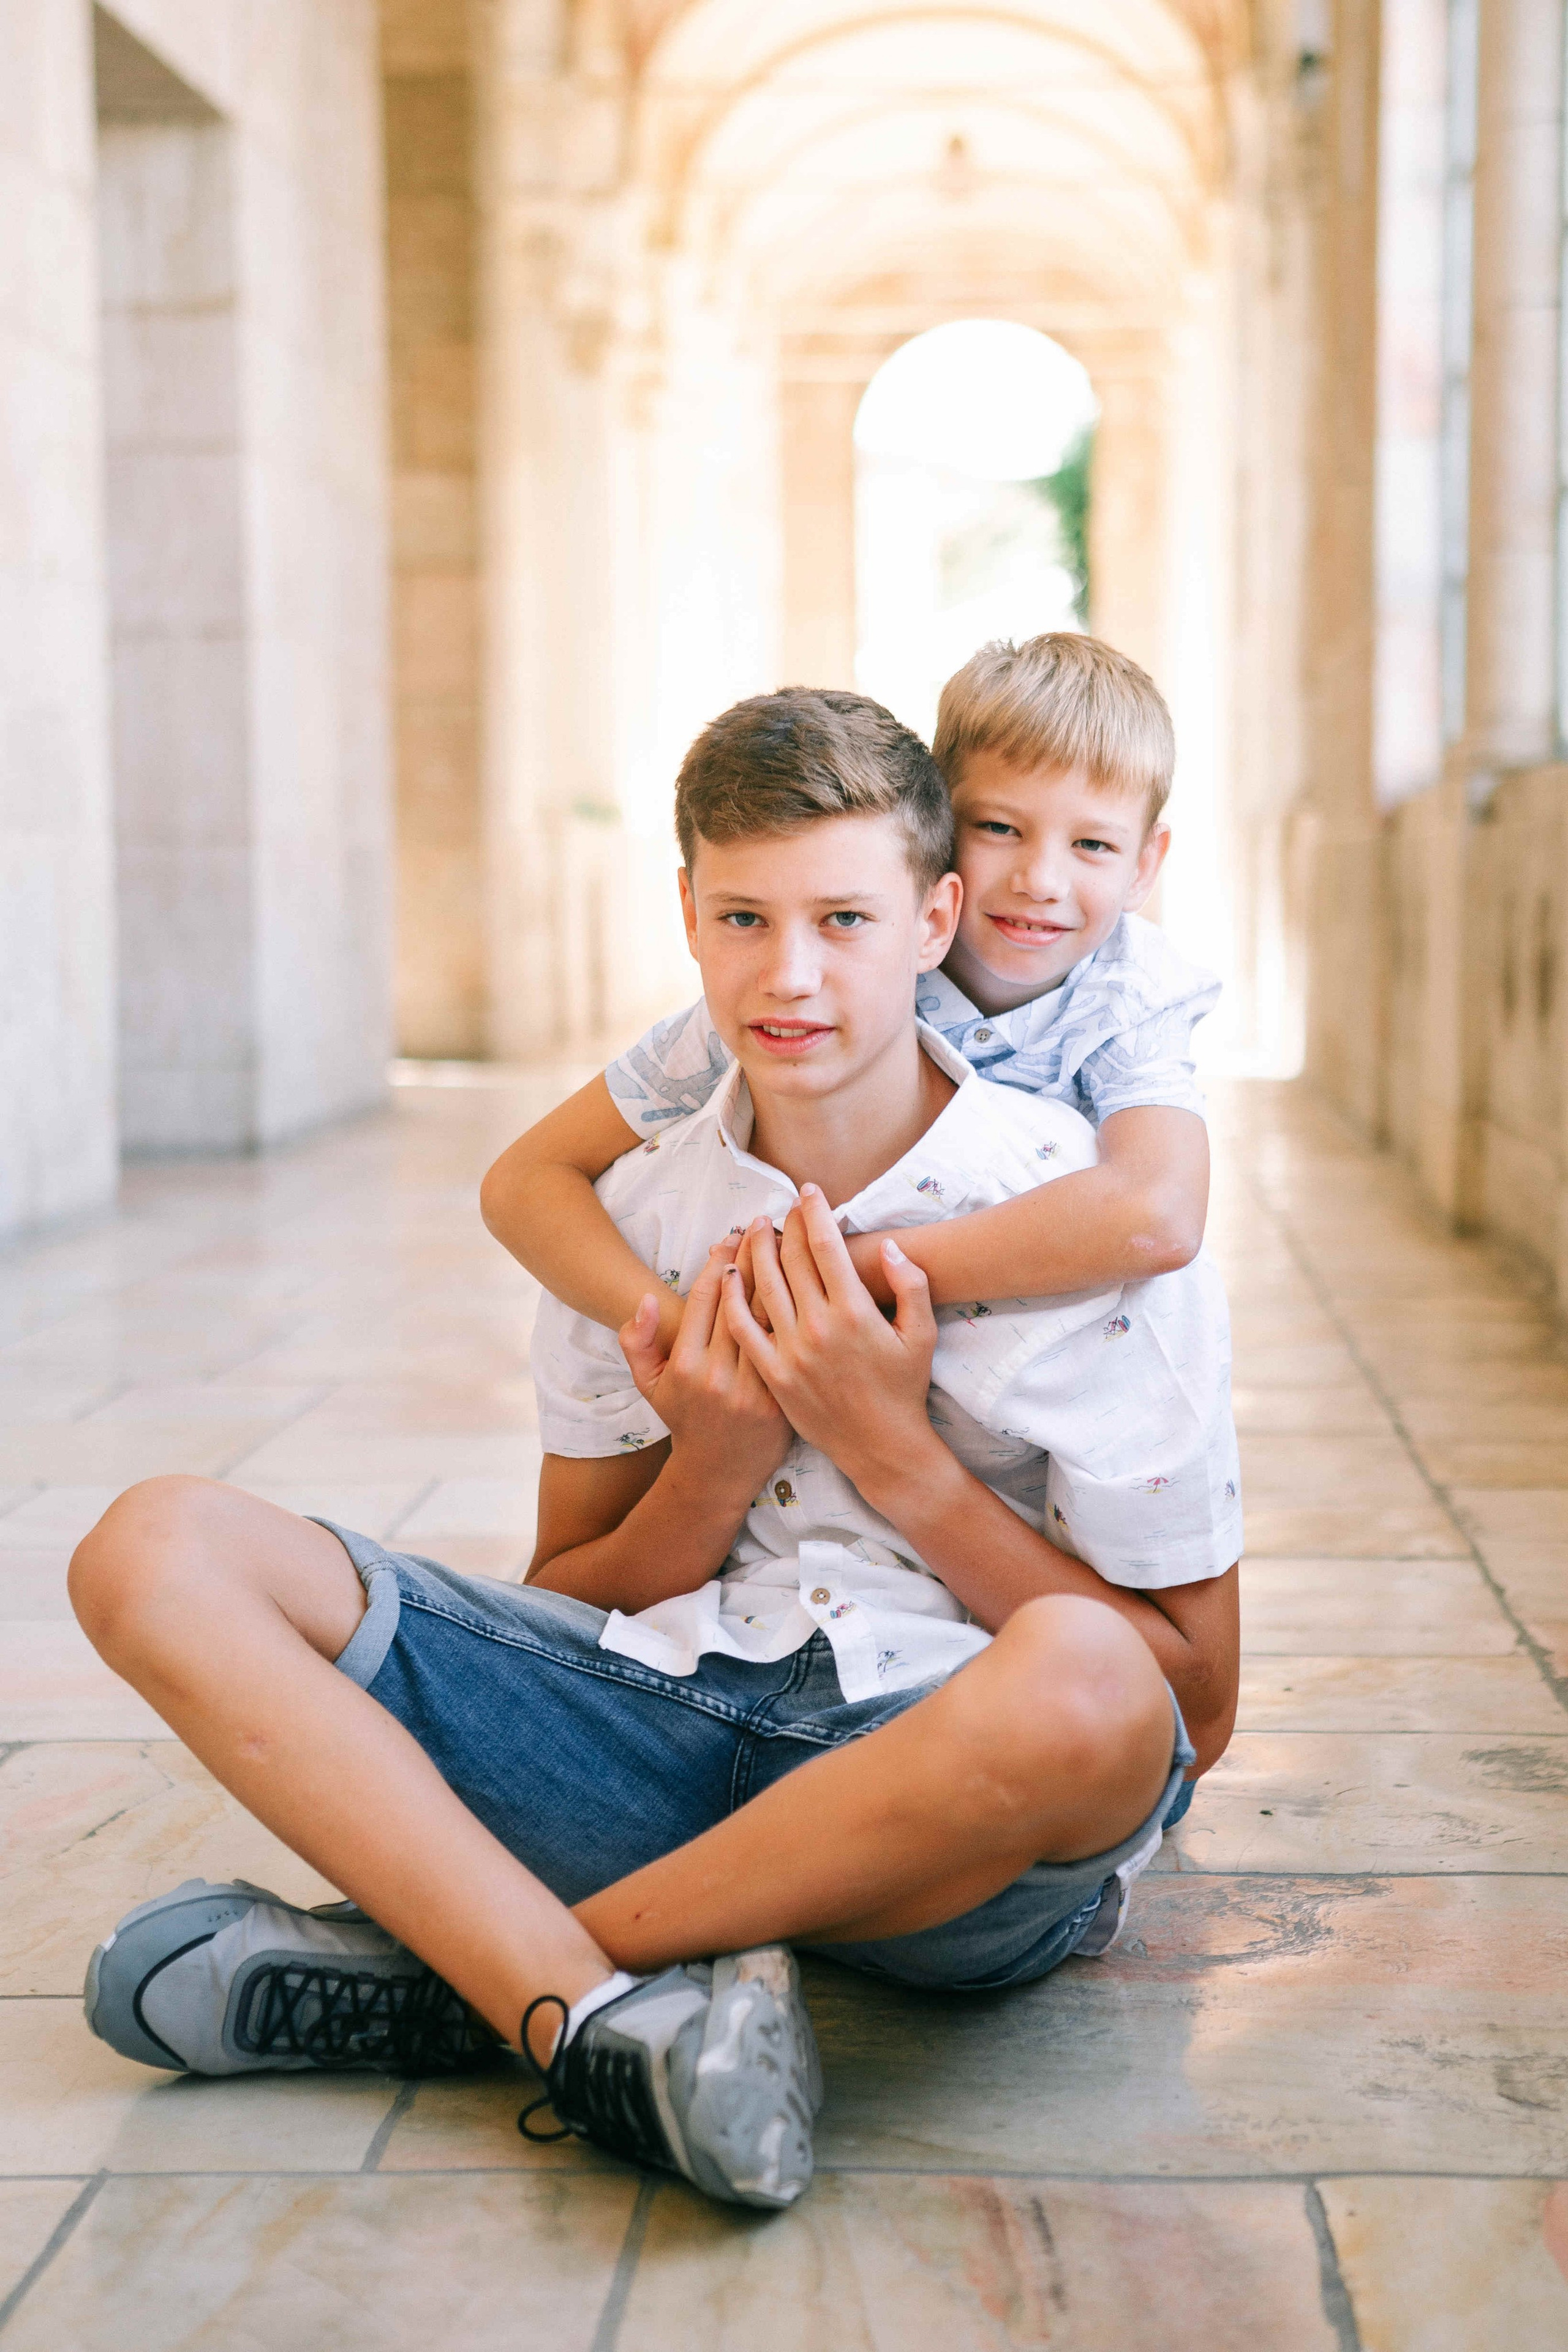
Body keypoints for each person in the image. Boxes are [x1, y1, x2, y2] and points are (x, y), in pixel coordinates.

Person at [68, 690, 1240, 2217]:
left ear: (932, 916)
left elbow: (1188, 1711)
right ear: (685, 913)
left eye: (843, 917)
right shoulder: (636, 1230)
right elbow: (576, 1589)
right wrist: (715, 1451)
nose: (791, 973)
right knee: (152, 1547)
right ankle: (596, 1993)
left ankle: (494, 1983)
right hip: (661, 1727)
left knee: (1085, 1675)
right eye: (744, 916)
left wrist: (893, 1456)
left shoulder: (1077, 1219)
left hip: (944, 1816)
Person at [481, 631, 1218, 1370]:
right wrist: (694, 1343)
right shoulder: (815, 987)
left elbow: (1159, 1218)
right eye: (997, 828)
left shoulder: (1130, 995)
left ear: (1144, 863)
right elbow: (526, 1180)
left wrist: (843, 1273)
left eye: (1092, 846)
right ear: (935, 833)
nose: (1041, 880)